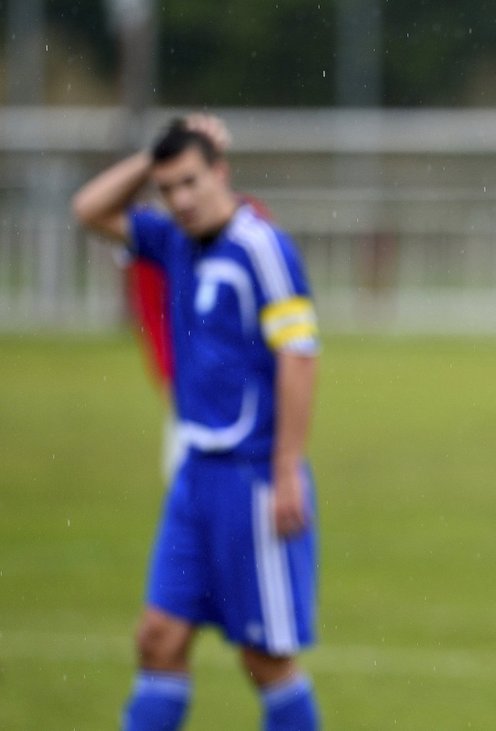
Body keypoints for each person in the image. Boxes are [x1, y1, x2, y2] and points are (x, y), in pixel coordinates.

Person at [71, 114, 322, 730]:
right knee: (159, 637)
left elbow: (299, 355)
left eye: (191, 182)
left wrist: (286, 467)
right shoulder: (171, 241)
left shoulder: (262, 247)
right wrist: (150, 155)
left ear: (221, 173)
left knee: (264, 657)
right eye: (167, 189)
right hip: (193, 478)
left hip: (252, 478)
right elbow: (88, 209)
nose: (180, 200)